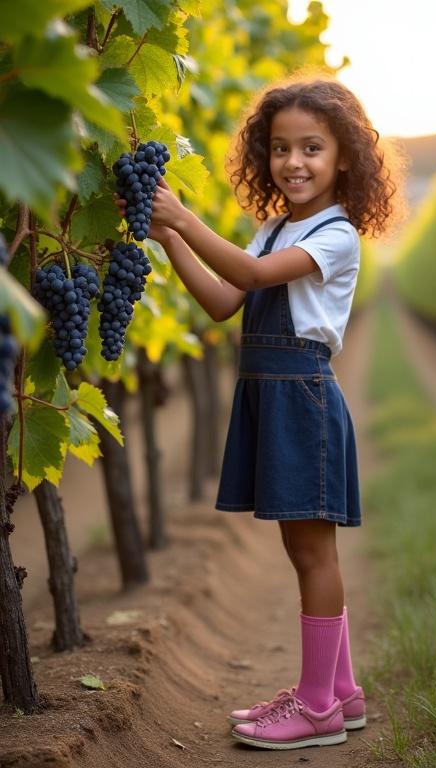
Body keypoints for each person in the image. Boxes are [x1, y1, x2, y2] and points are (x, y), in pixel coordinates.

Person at [115, 75, 404, 750]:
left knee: (312, 550)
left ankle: (315, 708)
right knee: (302, 548)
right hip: (271, 392)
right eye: (280, 148)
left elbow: (249, 278)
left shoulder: (336, 236)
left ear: (345, 159)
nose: (293, 162)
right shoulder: (274, 227)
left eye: (312, 148)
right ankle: (340, 694)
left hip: (301, 393)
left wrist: (186, 216)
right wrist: (169, 239)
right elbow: (222, 301)